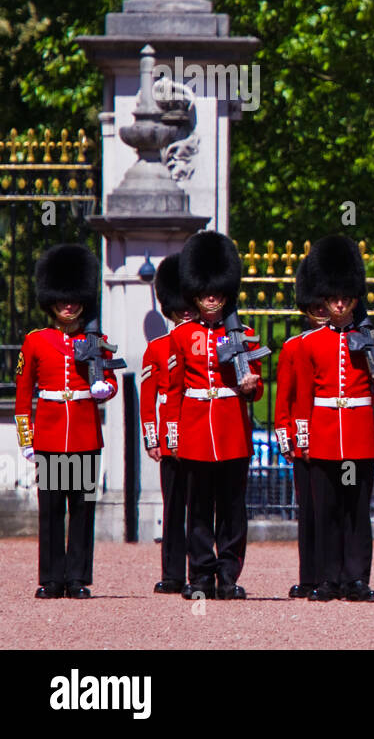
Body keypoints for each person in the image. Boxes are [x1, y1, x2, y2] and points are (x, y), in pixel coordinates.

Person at [291, 235, 374, 602]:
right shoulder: (309, 344)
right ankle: (328, 579)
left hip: (358, 435)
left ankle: (356, 580)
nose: (338, 303)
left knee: (356, 512)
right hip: (323, 435)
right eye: (333, 298)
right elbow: (303, 398)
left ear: (353, 297)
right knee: (327, 512)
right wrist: (302, 439)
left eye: (344, 297)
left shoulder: (372, 340)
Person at [163, 230, 263, 600]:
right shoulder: (181, 335)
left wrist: (251, 385)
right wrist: (171, 434)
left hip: (231, 427)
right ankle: (201, 575)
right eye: (206, 292)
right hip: (194, 430)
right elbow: (172, 389)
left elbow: (258, 387)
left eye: (217, 292)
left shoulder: (246, 334)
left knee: (233, 509)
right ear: (195, 292)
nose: (211, 297)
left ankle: (229, 575)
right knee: (200, 508)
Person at [14, 244, 117, 599]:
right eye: (63, 299)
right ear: (52, 301)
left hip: (85, 434)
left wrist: (106, 388)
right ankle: (51, 578)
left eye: (74, 299)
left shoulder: (97, 341)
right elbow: (23, 396)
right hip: (52, 435)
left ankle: (77, 578)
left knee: (82, 510)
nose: (69, 305)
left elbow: (111, 380)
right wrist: (27, 439)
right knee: (52, 511)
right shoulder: (36, 342)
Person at [272, 259, 329, 599]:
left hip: (330, 436)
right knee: (308, 510)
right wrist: (287, 435)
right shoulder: (295, 346)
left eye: (325, 304)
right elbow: (285, 397)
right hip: (303, 438)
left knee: (331, 510)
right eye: (315, 306)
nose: (322, 311)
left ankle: (331, 575)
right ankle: (310, 575)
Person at [140, 253, 191, 595]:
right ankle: (173, 572)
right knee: (173, 507)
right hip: (172, 437)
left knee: (204, 508)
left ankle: (205, 570)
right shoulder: (157, 348)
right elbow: (148, 398)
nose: (186, 309)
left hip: (203, 434)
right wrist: (152, 438)